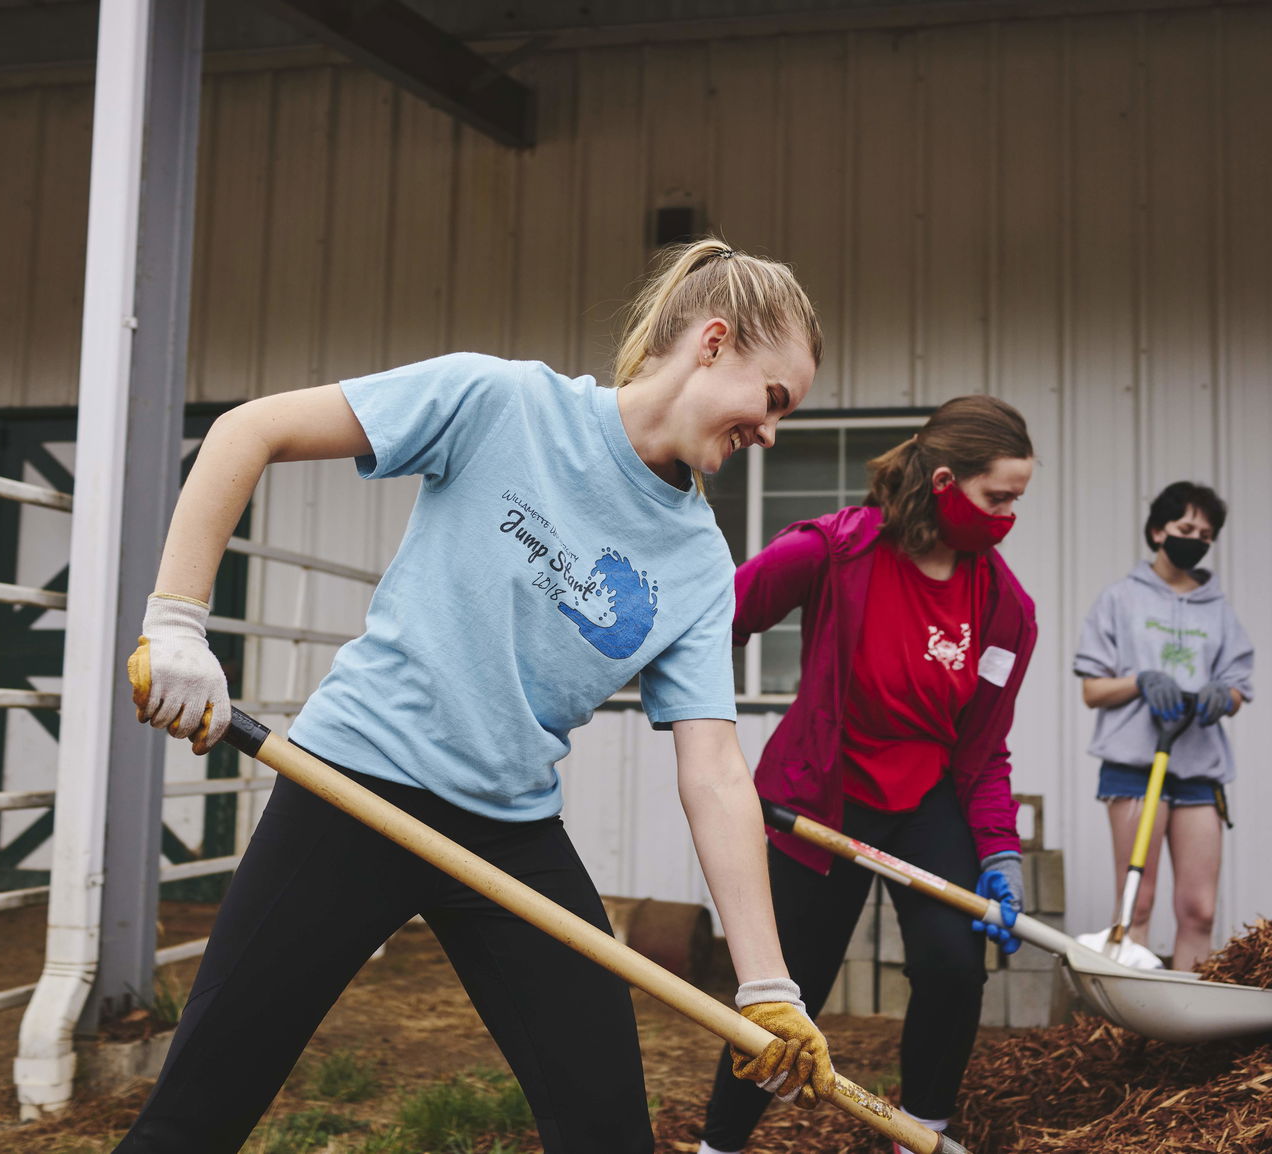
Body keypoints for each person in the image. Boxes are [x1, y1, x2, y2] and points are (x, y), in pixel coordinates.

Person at [118, 239, 837, 1153]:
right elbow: (247, 430)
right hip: (354, 792)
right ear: (712, 341)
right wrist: (176, 620)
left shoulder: (699, 562)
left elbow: (716, 773)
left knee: (608, 1130)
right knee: (198, 1116)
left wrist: (768, 984)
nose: (771, 431)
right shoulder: (502, 402)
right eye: (772, 400)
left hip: (507, 831)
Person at [697, 396, 1038, 1154]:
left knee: (955, 970)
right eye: (999, 498)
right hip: (819, 797)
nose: (1010, 516)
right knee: (784, 994)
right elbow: (714, 621)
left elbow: (983, 750)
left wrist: (999, 849)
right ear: (946, 480)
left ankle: (921, 1133)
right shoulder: (833, 551)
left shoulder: (1005, 607)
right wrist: (696, 726)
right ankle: (719, 1146)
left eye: (1018, 499)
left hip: (926, 804)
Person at [1073, 480, 1255, 972]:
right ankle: (1137, 1031)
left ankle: (1186, 1028)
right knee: (1138, 904)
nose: (1194, 537)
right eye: (1184, 527)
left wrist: (1225, 696)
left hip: (1198, 768)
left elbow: (1238, 686)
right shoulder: (1119, 600)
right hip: (1135, 767)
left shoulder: (1218, 610)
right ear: (1158, 532)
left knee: (1200, 909)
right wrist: (1141, 681)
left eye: (1204, 532)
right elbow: (1093, 689)